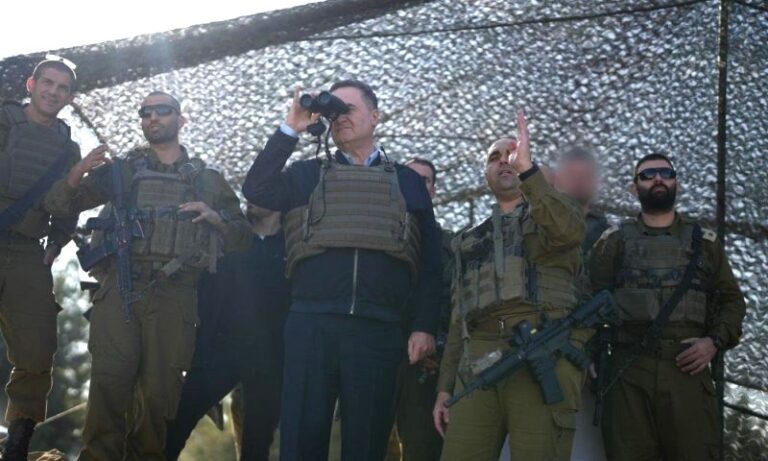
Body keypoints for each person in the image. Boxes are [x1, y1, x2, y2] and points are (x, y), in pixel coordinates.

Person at [44, 91, 250, 460]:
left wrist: (215, 218)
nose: (152, 118)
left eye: (162, 111)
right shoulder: (123, 171)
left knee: (159, 397)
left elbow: (243, 238)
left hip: (176, 297)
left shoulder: (208, 181)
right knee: (109, 389)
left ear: (180, 120)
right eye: (145, 112)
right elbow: (60, 204)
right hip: (120, 291)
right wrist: (78, 171)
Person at [242, 80, 442, 461]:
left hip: (378, 330)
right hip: (310, 325)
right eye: (333, 112)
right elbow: (257, 189)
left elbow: (431, 262)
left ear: (375, 116)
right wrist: (291, 128)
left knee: (366, 447)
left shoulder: (408, 181)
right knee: (300, 445)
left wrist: (423, 325)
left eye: (348, 109)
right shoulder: (306, 175)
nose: (339, 118)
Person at [433, 112, 588, 461]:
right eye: (494, 157)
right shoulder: (468, 240)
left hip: (543, 351)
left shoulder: (554, 213)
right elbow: (459, 318)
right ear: (485, 174)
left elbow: (569, 232)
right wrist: (445, 387)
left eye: (511, 155)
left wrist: (529, 172)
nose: (504, 161)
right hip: (478, 360)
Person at [589, 153, 746, 461]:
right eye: (647, 175)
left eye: (665, 173)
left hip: (687, 369)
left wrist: (713, 342)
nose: (658, 179)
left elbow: (732, 301)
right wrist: (588, 351)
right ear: (634, 189)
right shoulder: (614, 242)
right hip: (628, 370)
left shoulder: (705, 243)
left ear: (677, 183)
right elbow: (587, 298)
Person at [0, 56, 84, 461]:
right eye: (47, 83)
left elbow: (69, 204)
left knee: (37, 350)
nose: (53, 91)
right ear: (31, 85)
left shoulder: (68, 149)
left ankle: (16, 447)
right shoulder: (3, 123)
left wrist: (56, 244)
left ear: (70, 97)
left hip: (27, 253)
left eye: (62, 87)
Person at [164, 203, 291, 461]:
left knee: (256, 445)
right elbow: (205, 291)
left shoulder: (291, 245)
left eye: (262, 192)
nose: (252, 198)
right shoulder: (231, 238)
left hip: (269, 360)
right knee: (175, 424)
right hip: (218, 351)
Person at [387, 158, 453, 461]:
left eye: (424, 180)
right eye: (409, 178)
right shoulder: (377, 238)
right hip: (379, 356)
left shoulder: (449, 245)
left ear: (433, 190)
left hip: (425, 364)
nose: (415, 185)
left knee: (420, 448)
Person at [554, 146, 608, 461]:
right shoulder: (540, 227)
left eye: (585, 175)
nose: (578, 182)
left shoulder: (609, 235)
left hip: (596, 360)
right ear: (558, 180)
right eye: (571, 175)